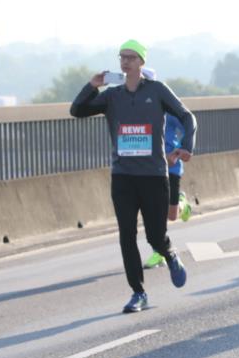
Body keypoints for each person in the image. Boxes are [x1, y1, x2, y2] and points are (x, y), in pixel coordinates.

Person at [70, 39, 197, 313]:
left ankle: (170, 254)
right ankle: (138, 293)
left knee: (155, 236)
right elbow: (77, 110)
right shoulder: (111, 96)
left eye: (130, 57)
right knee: (126, 235)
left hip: (153, 175)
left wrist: (186, 146)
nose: (125, 62)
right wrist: (92, 86)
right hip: (123, 176)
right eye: (122, 57)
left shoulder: (158, 91)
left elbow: (187, 117)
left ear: (141, 62)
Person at [144, 113, 195, 269]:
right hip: (150, 167)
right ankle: (159, 252)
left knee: (172, 215)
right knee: (153, 210)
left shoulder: (169, 110)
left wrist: (180, 149)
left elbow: (188, 126)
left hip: (171, 166)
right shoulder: (140, 109)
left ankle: (182, 202)